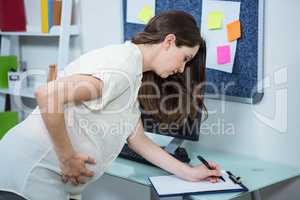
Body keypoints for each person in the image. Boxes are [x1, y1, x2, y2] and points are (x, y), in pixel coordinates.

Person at [0, 11, 221, 200]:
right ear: (169, 41)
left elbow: (138, 140)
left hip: (45, 183)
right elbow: (49, 96)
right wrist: (68, 159)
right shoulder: (121, 67)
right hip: (24, 179)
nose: (182, 69)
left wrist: (191, 173)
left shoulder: (133, 74)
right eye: (184, 58)